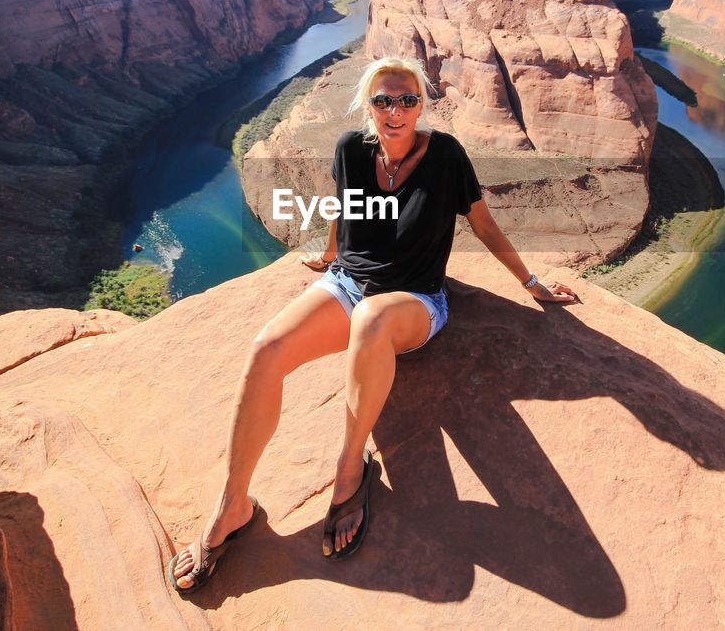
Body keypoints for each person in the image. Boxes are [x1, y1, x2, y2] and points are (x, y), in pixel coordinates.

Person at [168, 57, 578, 592]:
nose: (395, 110)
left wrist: (531, 282)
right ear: (369, 106)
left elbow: (482, 222)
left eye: (407, 99)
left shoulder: (447, 155)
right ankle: (233, 506)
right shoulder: (350, 150)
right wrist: (330, 254)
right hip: (349, 285)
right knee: (266, 347)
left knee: (370, 319)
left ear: (421, 106)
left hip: (414, 303)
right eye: (383, 100)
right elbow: (346, 205)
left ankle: (350, 471)